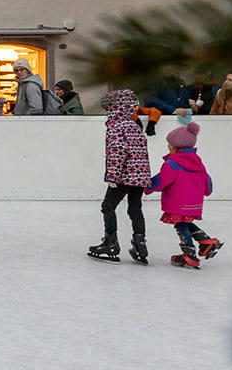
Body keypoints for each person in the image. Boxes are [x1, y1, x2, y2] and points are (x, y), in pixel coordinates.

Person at [88, 89, 152, 265]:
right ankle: (140, 245)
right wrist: (145, 177)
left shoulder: (116, 127)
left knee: (108, 207)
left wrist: (112, 177)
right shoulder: (135, 126)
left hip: (124, 176)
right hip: (139, 176)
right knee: (135, 208)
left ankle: (110, 243)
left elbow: (117, 152)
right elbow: (142, 154)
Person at [148, 120, 221, 269]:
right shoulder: (197, 162)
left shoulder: (172, 164)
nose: (168, 146)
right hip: (195, 202)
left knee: (181, 226)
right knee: (185, 223)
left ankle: (189, 254)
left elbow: (162, 180)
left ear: (177, 146)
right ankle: (206, 241)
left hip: (178, 202)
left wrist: (146, 186)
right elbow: (207, 179)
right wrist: (207, 191)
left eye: (169, 144)